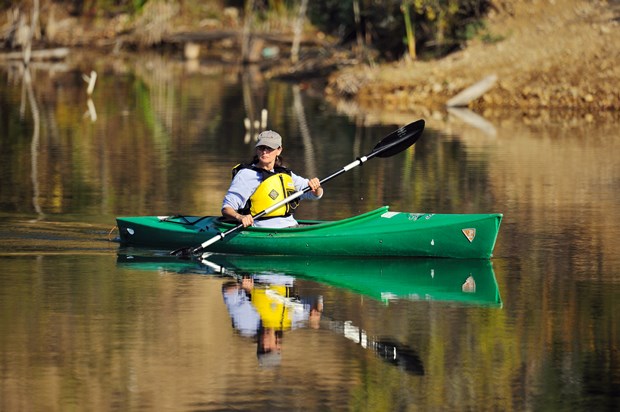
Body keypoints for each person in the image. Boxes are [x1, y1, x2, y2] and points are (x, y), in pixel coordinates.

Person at [221, 130, 323, 228]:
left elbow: (315, 195)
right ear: (257, 150)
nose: (264, 152)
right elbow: (227, 208)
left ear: (279, 150)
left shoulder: (285, 174)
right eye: (261, 148)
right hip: (262, 229)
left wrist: (316, 187)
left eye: (269, 148)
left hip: (291, 226)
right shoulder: (246, 175)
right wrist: (240, 217)